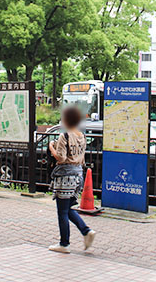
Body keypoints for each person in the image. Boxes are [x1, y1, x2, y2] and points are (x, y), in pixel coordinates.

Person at [48, 106, 95, 253]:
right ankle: (86, 231)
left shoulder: (65, 136)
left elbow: (61, 157)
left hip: (65, 176)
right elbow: (81, 157)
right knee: (67, 208)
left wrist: (51, 148)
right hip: (78, 175)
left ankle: (64, 244)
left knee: (62, 211)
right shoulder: (82, 136)